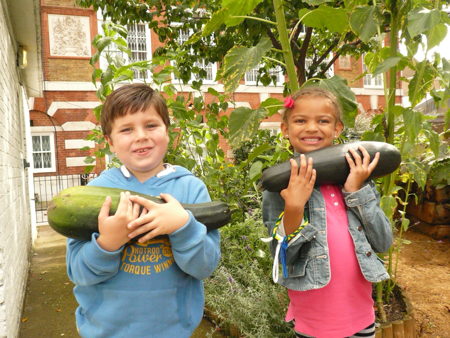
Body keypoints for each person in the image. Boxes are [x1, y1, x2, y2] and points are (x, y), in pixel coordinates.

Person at [66, 83, 220, 338]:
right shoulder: (95, 193)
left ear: (167, 131)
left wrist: (183, 226)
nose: (141, 136)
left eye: (151, 125)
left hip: (174, 332)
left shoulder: (191, 189)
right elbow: (79, 273)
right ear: (110, 142)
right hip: (104, 332)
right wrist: (107, 244)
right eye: (127, 129)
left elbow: (204, 268)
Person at [262, 87, 393, 338]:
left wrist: (355, 190)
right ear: (285, 129)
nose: (312, 128)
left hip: (361, 314)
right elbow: (282, 261)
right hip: (314, 319)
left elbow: (383, 242)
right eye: (301, 120)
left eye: (323, 121)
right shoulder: (281, 186)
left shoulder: (359, 176)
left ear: (337, 129)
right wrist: (294, 208)